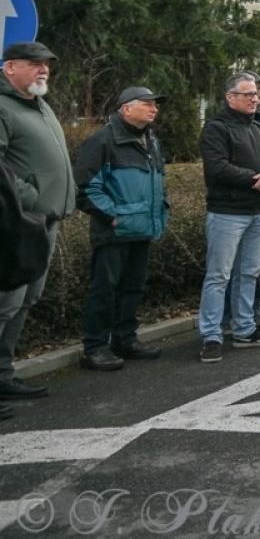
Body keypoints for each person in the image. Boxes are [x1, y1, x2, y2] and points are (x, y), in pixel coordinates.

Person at [0, 42, 75, 403]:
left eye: (46, 64)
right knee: (5, 303)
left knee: (28, 298)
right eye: (34, 64)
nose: (43, 70)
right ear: (10, 67)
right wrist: (32, 199)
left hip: (44, 221)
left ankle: (3, 375)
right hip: (14, 224)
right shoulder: (2, 106)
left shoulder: (40, 105)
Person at [74, 87, 168, 372]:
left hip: (142, 229)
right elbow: (85, 187)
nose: (154, 109)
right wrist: (112, 216)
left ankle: (125, 339)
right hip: (114, 232)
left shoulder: (149, 139)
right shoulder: (104, 140)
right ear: (126, 108)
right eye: (147, 104)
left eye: (156, 105)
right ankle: (95, 347)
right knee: (104, 290)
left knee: (133, 288)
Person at [197, 72, 260, 362]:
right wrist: (254, 180)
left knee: (248, 273)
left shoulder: (259, 126)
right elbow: (217, 167)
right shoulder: (216, 129)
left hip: (258, 212)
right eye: (248, 94)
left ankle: (245, 328)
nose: (255, 98)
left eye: (256, 95)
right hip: (227, 213)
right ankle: (211, 334)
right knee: (218, 276)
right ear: (230, 97)